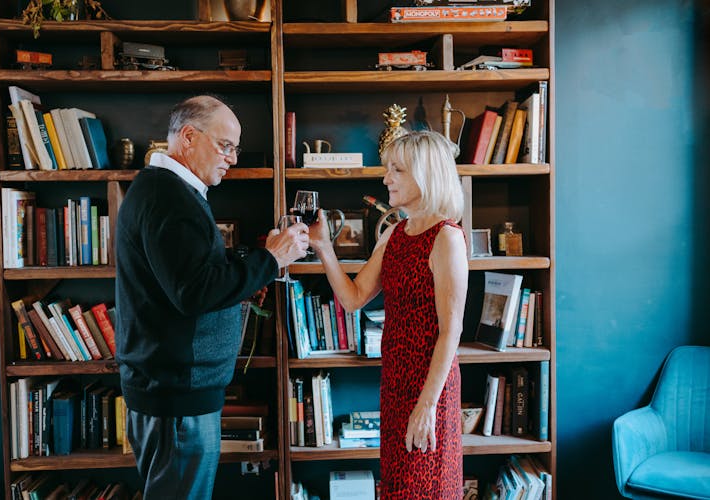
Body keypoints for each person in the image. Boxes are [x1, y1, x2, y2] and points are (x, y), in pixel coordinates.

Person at [115, 95, 309, 499]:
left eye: (235, 148)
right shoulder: (169, 198)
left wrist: (257, 257)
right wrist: (271, 259)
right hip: (177, 400)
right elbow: (196, 291)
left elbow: (193, 274)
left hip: (175, 393)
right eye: (225, 146)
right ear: (188, 137)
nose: (233, 159)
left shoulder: (168, 191)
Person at [309, 130, 468, 498]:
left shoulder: (447, 238)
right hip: (395, 383)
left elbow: (451, 331)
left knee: (425, 488)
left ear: (425, 174)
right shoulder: (394, 234)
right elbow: (353, 299)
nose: (386, 178)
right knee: (398, 487)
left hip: (431, 387)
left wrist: (427, 405)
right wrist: (322, 247)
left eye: (397, 169)